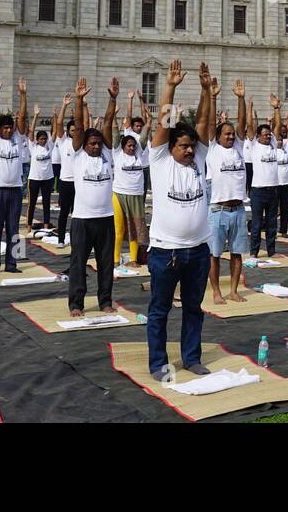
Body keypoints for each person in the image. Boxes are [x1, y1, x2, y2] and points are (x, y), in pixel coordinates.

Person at [146, 60, 214, 379]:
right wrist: (170, 87)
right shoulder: (159, 159)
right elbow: (164, 123)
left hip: (198, 251)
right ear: (170, 147)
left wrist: (205, 91)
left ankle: (191, 358)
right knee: (160, 311)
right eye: (183, 146)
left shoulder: (199, 158)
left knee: (193, 310)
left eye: (191, 146)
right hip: (165, 252)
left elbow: (202, 122)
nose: (189, 150)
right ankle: (159, 363)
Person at [67, 77, 118, 315]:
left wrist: (113, 98)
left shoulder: (108, 155)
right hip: (82, 220)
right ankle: (76, 303)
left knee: (106, 264)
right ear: (84, 144)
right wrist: (79, 99)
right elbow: (78, 123)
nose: (96, 147)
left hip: (106, 218)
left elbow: (108, 121)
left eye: (98, 143)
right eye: (92, 143)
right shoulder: (78, 156)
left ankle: (105, 301)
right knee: (78, 263)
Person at [207, 79, 249, 304]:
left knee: (236, 253)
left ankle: (233, 290)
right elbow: (211, 123)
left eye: (233, 134)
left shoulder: (240, 148)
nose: (231, 137)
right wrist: (213, 97)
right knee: (214, 255)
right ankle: (216, 292)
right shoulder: (212, 149)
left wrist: (241, 98)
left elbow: (242, 123)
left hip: (238, 210)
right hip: (217, 210)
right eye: (227, 134)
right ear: (219, 136)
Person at [0, 78, 28, 275]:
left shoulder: (18, 139)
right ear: (0, 129)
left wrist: (22, 95)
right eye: (5, 128)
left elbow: (23, 118)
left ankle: (12, 264)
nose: (9, 130)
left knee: (14, 231)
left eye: (11, 127)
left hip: (15, 190)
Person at [112, 96, 149, 267]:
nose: (132, 148)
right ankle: (115, 259)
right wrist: (113, 105)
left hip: (135, 196)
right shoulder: (117, 153)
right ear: (123, 146)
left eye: (133, 146)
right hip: (119, 195)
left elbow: (147, 130)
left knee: (135, 230)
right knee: (119, 230)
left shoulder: (139, 154)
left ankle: (133, 259)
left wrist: (148, 115)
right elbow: (113, 130)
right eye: (129, 146)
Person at [246, 99, 282, 257]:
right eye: (265, 135)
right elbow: (249, 127)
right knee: (257, 223)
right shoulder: (254, 146)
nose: (268, 137)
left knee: (272, 223)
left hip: (273, 190)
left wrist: (276, 108)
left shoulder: (273, 144)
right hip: (258, 191)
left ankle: (271, 251)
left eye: (269, 134)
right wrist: (249, 107)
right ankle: (254, 251)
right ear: (258, 136)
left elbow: (278, 126)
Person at [53, 94, 78, 246]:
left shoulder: (81, 144)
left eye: (76, 130)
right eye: (72, 130)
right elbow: (59, 123)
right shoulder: (63, 142)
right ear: (68, 131)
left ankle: (77, 240)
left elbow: (85, 124)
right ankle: (61, 239)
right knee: (64, 213)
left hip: (79, 183)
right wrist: (64, 105)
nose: (74, 132)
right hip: (65, 182)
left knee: (78, 214)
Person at [26, 119, 55, 231]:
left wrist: (55, 116)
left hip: (47, 179)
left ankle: (46, 224)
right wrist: (36, 116)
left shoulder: (49, 146)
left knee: (46, 202)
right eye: (41, 139)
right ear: (37, 140)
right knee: (32, 203)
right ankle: (29, 225)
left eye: (44, 139)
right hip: (34, 179)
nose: (43, 141)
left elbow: (55, 132)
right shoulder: (33, 147)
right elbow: (31, 131)